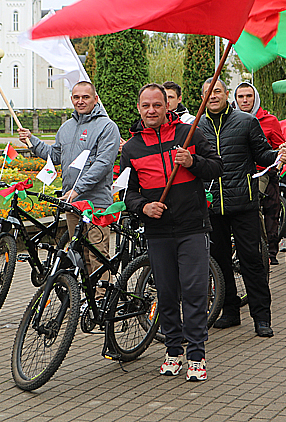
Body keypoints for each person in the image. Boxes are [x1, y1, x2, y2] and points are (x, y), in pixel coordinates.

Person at [120, 83, 223, 382]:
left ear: (168, 107)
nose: (151, 111)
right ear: (139, 108)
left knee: (194, 293)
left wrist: (193, 162)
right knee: (166, 295)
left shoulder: (188, 135)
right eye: (145, 106)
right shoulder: (131, 148)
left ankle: (196, 356)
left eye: (157, 105)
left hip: (192, 227)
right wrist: (143, 207)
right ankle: (172, 351)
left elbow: (217, 167)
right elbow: (127, 192)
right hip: (158, 232)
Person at [199, 78, 286, 337]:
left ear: (226, 94)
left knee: (252, 262)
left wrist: (278, 155)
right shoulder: (196, 127)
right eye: (207, 93)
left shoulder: (245, 121)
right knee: (219, 262)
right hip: (212, 206)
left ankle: (262, 317)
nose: (212, 96)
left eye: (217, 91)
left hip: (243, 203)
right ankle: (229, 311)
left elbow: (263, 154)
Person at [18, 81, 120, 297]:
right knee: (79, 253)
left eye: (85, 97)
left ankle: (103, 299)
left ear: (95, 99)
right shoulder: (66, 127)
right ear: (72, 99)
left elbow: (103, 165)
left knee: (97, 254)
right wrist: (32, 140)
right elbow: (54, 155)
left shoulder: (107, 127)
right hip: (72, 203)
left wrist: (77, 189)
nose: (80, 101)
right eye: (76, 97)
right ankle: (87, 298)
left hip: (97, 204)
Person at [233, 81, 286, 265]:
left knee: (271, 213)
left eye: (249, 96)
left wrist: (282, 157)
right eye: (241, 96)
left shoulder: (270, 121)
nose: (245, 100)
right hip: (239, 176)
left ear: (255, 97)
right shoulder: (231, 120)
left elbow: (280, 147)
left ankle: (269, 251)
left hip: (265, 174)